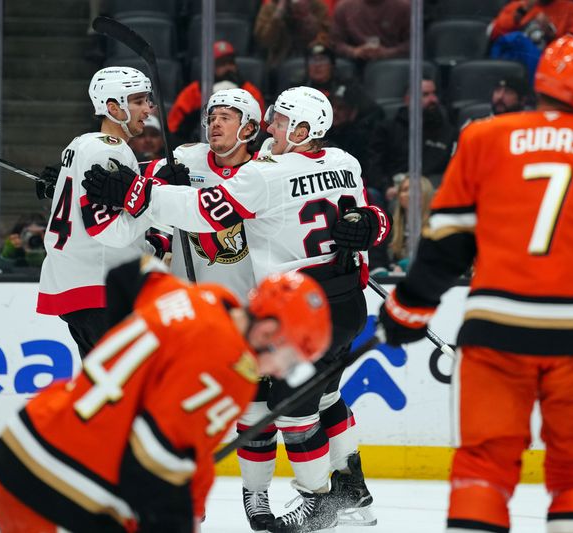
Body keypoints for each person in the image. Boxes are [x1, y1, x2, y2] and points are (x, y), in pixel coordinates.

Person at [378, 36, 573, 533]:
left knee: (482, 471)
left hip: (496, 332)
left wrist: (410, 307)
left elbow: (446, 240)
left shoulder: (483, 138)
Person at [82, 86, 390, 533]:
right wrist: (373, 224)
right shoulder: (344, 161)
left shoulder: (264, 174)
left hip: (297, 309)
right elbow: (370, 217)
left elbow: (203, 210)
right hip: (346, 299)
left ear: (305, 130)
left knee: (293, 409)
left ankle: (320, 504)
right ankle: (355, 493)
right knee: (325, 397)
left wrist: (135, 193)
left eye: (282, 123)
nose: (271, 127)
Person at [0, 256, 332, 533]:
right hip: (73, 486)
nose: (278, 372)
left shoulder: (197, 297)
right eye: (286, 359)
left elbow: (129, 273)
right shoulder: (229, 371)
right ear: (268, 329)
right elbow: (159, 458)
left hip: (30, 443)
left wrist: (133, 370)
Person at [36, 66, 184, 358]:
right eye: (139, 101)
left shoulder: (80, 144)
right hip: (100, 289)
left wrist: (152, 242)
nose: (148, 108)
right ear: (113, 107)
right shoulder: (111, 151)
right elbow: (110, 232)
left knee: (107, 392)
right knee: (132, 391)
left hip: (76, 285)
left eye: (147, 100)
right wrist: (154, 198)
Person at [150, 87, 263, 302]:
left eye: (225, 117)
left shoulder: (267, 170)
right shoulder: (186, 158)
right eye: (211, 118)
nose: (215, 124)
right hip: (186, 300)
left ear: (248, 128)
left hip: (243, 304)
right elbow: (139, 189)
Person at [365, 78, 454, 204]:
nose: (433, 99)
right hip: (393, 189)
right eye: (425, 95)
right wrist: (386, 188)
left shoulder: (448, 132)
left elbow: (450, 170)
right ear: (408, 100)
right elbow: (374, 164)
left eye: (434, 94)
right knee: (371, 195)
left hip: (430, 190)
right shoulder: (387, 128)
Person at [167, 41, 266, 141]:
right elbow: (174, 130)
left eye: (230, 62)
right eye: (221, 63)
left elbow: (260, 129)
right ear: (210, 67)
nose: (228, 68)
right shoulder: (193, 92)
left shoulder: (250, 92)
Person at [253, 0, 330, 68]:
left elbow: (325, 40)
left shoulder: (317, 6)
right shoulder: (270, 8)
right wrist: (278, 15)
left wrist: (306, 15)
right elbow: (265, 41)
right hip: (280, 59)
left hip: (311, 58)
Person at [331, 0, 410, 63]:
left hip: (392, 64)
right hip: (355, 63)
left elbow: (414, 43)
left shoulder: (403, 6)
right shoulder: (344, 6)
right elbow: (335, 42)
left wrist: (388, 53)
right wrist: (354, 51)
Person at [490, 0, 573, 46]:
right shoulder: (520, 6)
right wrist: (520, 14)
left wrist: (551, 34)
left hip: (552, 67)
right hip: (518, 64)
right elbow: (493, 33)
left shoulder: (569, 8)